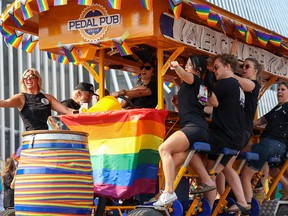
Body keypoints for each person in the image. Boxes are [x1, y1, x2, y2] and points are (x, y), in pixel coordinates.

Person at [153, 55, 218, 206]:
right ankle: (162, 195)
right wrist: (177, 106)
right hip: (198, 128)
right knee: (173, 162)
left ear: (198, 69)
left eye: (189, 64)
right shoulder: (201, 86)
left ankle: (169, 192)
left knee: (164, 149)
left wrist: (177, 67)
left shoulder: (194, 80)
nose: (187, 66)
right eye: (186, 64)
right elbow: (194, 107)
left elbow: (185, 75)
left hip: (194, 128)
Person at [205, 53, 249, 213]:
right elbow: (217, 107)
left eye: (216, 68)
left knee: (190, 148)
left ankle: (207, 209)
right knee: (215, 170)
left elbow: (211, 101)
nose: (214, 71)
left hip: (223, 136)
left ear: (228, 66)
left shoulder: (224, 83)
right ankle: (242, 201)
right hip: (235, 137)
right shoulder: (237, 86)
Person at [216, 58, 263, 195]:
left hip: (241, 131)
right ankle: (222, 199)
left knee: (225, 166)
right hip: (237, 130)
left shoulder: (253, 85)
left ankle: (243, 201)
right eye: (242, 66)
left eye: (247, 66)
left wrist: (226, 71)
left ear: (255, 70)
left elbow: (235, 80)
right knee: (223, 165)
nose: (243, 68)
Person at [241, 82, 288, 205]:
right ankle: (259, 188)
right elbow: (261, 120)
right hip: (270, 144)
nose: (279, 92)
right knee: (256, 156)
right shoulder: (277, 107)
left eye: (283, 89)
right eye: (278, 89)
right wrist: (245, 124)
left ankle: (249, 203)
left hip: (273, 143)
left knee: (245, 175)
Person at [0, 68, 73, 131]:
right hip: (33, 137)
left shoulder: (48, 98)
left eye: (31, 76)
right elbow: (5, 103)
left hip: (48, 136)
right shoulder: (21, 98)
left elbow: (67, 110)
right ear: (23, 81)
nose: (28, 79)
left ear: (38, 79)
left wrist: (82, 111)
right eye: (25, 77)